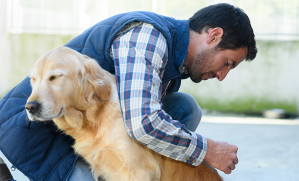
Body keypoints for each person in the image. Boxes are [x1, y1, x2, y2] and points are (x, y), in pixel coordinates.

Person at [0, 3, 257, 181]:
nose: (222, 75)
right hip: (34, 137)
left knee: (183, 107)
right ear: (213, 36)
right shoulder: (148, 36)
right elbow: (143, 123)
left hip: (87, 133)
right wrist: (205, 149)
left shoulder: (173, 63)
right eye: (227, 63)